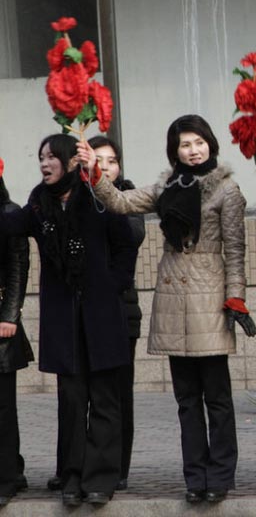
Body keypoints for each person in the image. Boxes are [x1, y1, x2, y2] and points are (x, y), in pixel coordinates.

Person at [75, 115, 256, 504]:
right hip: (172, 295)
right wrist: (95, 171)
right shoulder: (165, 186)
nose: (193, 150)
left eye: (198, 142)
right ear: (174, 150)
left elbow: (236, 250)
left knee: (218, 398)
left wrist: (236, 295)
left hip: (210, 294)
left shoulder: (227, 190)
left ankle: (220, 475)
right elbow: (121, 202)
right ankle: (195, 477)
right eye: (184, 144)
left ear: (210, 143)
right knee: (186, 399)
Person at [0, 134, 136, 507]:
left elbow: (127, 242)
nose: (44, 163)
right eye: (41, 157)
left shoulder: (95, 196)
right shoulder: (39, 203)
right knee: (72, 399)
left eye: (51, 157)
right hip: (63, 316)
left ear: (69, 160)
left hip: (101, 312)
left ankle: (101, 478)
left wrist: (114, 284)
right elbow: (10, 222)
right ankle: (72, 476)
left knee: (105, 398)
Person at [87, 135, 146, 491]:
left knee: (119, 393)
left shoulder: (128, 197)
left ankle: (118, 466)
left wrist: (106, 195)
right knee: (85, 394)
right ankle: (84, 463)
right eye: (97, 160)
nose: (104, 166)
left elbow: (134, 234)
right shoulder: (74, 196)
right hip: (82, 310)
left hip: (122, 310)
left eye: (110, 161)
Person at [0, 173, 32, 506]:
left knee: (3, 406)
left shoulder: (9, 213)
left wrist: (10, 314)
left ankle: (8, 475)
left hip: (0, 319)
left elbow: (18, 266)